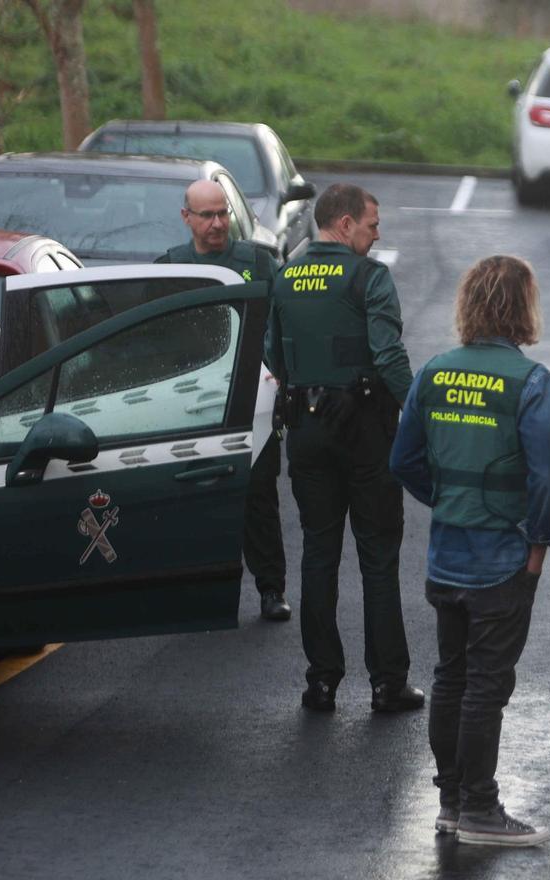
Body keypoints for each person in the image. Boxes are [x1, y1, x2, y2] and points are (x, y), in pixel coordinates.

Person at [390, 255, 550, 847]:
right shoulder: (531, 381)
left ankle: (450, 801)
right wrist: (537, 547)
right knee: (487, 685)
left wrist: (447, 499)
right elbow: (544, 479)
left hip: (446, 557)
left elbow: (402, 461)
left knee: (451, 679)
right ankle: (481, 810)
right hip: (500, 560)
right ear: (523, 308)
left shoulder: (435, 372)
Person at [264, 182, 423, 714]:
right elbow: (388, 355)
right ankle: (387, 683)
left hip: (307, 432)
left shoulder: (285, 278)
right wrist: (421, 417)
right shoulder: (368, 278)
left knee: (318, 554)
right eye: (373, 225)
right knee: (377, 556)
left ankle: (322, 682)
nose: (378, 236)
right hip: (364, 432)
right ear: (345, 223)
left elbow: (273, 357)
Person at [157, 179, 290, 622]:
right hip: (192, 404)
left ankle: (271, 589)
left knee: (258, 497)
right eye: (207, 215)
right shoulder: (170, 269)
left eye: (222, 214)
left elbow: (281, 327)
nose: (217, 224)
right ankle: (196, 591)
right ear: (186, 218)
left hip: (252, 400)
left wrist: (278, 379)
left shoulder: (257, 262)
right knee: (192, 497)